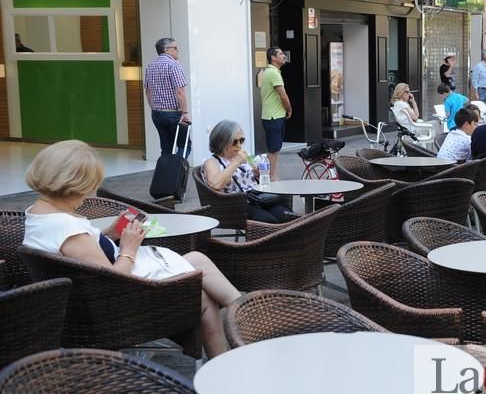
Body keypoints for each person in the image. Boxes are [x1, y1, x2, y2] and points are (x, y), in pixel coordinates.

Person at [22, 140, 241, 358]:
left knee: (197, 261)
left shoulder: (38, 214)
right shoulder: (66, 227)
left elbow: (80, 252)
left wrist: (109, 234)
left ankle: (240, 323)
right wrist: (129, 247)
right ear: (70, 185)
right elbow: (113, 281)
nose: (88, 195)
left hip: (85, 300)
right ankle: (244, 323)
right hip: (122, 300)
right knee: (201, 292)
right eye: (87, 188)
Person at [202, 120, 292, 223]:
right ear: (222, 142)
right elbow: (216, 184)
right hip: (235, 205)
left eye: (241, 140)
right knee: (267, 221)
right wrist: (235, 163)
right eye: (235, 142)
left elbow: (259, 177)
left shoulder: (246, 157)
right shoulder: (212, 162)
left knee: (286, 215)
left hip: (258, 199)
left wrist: (258, 174)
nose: (239, 145)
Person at [144, 37, 191, 157]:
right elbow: (180, 91)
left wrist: (154, 108)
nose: (177, 50)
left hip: (157, 113)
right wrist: (185, 112)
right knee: (184, 145)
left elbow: (148, 91)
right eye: (175, 48)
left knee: (166, 147)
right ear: (166, 49)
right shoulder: (174, 65)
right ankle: (176, 174)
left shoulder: (151, 66)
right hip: (173, 114)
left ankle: (165, 174)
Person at [260, 47, 293, 181]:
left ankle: (271, 174)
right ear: (273, 58)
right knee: (273, 149)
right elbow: (283, 95)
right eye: (280, 54)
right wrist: (289, 109)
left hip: (273, 115)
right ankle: (272, 176)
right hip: (273, 116)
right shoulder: (273, 73)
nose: (284, 56)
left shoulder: (272, 72)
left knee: (274, 148)